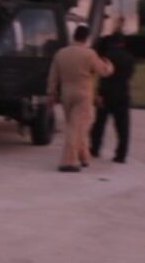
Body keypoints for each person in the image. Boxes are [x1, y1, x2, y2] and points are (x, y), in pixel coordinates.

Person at [46, 25, 113, 172]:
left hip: (66, 93)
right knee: (77, 128)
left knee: (75, 125)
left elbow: (53, 76)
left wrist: (51, 93)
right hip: (83, 94)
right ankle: (68, 161)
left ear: (74, 36)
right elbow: (103, 71)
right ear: (87, 38)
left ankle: (84, 157)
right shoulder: (89, 54)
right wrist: (109, 65)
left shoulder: (61, 53)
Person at [90, 31, 136, 163]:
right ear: (123, 43)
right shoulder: (129, 58)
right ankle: (121, 154)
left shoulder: (106, 56)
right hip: (122, 94)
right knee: (123, 127)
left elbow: (103, 77)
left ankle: (95, 148)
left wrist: (99, 93)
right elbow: (130, 75)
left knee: (99, 124)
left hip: (106, 94)